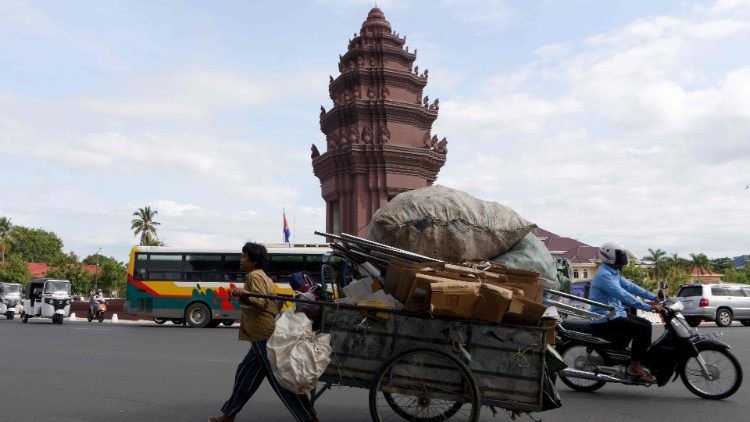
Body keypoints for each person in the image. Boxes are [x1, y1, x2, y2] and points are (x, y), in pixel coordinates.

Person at [209, 242, 319, 422]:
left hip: (263, 335)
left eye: (244, 256)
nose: (241, 260)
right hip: (260, 335)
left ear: (253, 261)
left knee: (281, 381)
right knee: (245, 373)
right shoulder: (264, 277)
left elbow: (260, 301)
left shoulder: (253, 276)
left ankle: (309, 419)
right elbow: (273, 303)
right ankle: (229, 414)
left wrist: (242, 293)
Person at [589, 242, 664, 383]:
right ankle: (634, 367)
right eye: (620, 256)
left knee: (646, 324)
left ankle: (637, 359)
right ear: (610, 257)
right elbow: (623, 295)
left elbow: (631, 287)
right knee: (641, 329)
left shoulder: (613, 272)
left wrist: (653, 297)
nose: (623, 260)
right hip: (605, 317)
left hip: (615, 313)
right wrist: (649, 307)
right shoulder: (604, 275)